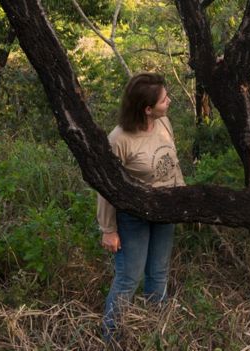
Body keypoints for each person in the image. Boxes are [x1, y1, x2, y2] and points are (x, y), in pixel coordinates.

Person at [97, 72, 185, 340]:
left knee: (158, 274)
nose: (169, 101)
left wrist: (183, 199)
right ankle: (111, 337)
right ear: (147, 109)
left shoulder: (164, 123)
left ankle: (155, 334)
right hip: (134, 215)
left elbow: (173, 164)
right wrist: (108, 229)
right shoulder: (120, 139)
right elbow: (106, 189)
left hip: (166, 210)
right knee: (129, 278)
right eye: (163, 99)